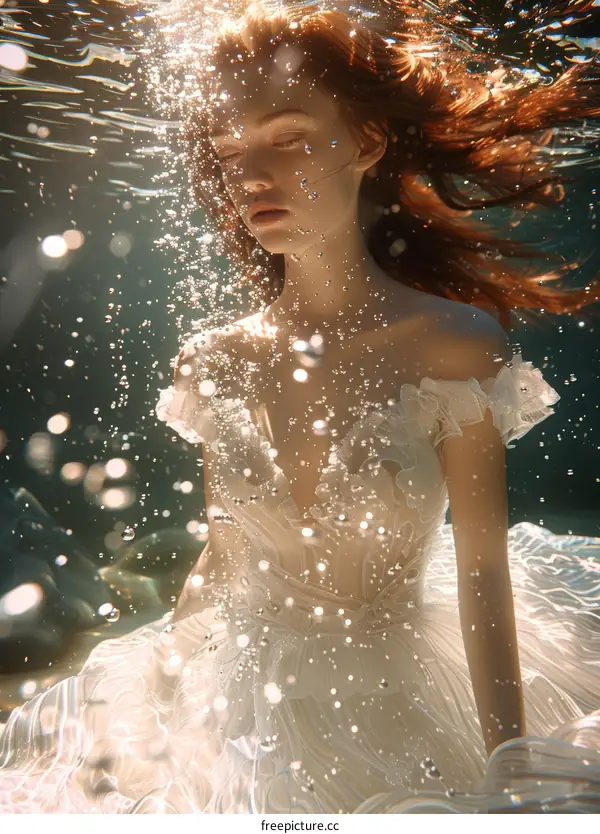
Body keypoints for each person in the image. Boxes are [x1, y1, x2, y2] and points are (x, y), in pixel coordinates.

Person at [1, 0, 600, 814]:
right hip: (242, 704)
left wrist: (510, 765)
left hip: (409, 696)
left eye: (285, 137)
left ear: (366, 141)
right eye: (228, 150)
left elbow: (481, 571)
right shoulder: (213, 361)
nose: (250, 174)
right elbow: (223, 554)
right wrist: (160, 711)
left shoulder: (454, 345)